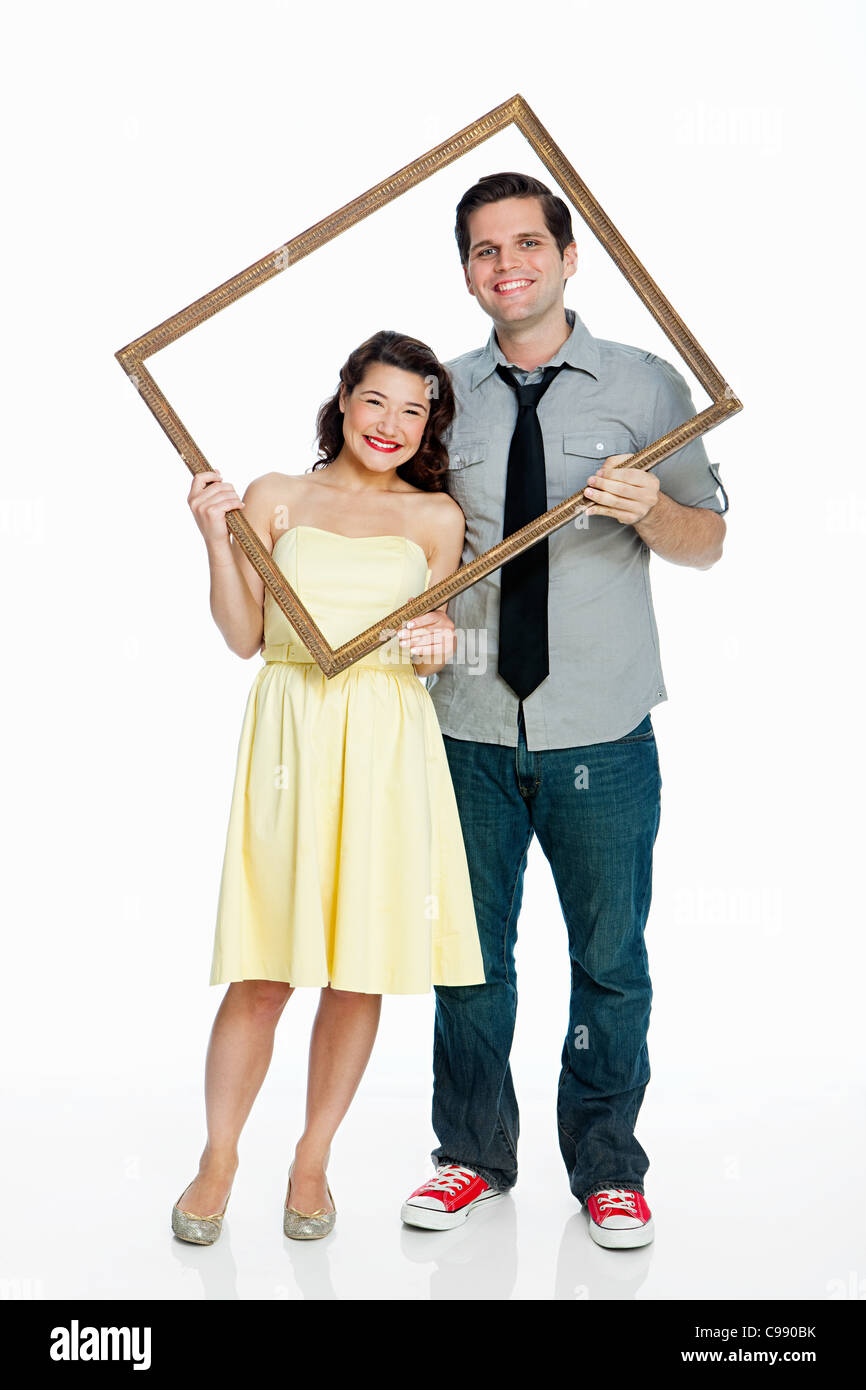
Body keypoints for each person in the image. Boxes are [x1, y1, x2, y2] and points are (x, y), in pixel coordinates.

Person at [400, 173, 730, 1248]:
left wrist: (654, 510)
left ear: (567, 254)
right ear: (466, 272)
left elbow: (708, 539)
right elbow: (413, 549)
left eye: (528, 244)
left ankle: (605, 1167)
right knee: (468, 956)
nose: (509, 265)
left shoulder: (644, 385)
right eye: (486, 251)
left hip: (601, 726)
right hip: (467, 726)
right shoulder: (439, 396)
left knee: (607, 958)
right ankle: (470, 1156)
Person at [171, 330, 486, 1245]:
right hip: (291, 731)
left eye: (413, 410)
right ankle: (219, 1156)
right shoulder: (274, 496)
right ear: (345, 398)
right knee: (264, 967)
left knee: (360, 971)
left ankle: (313, 1158)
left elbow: (432, 644)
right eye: (376, 400)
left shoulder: (435, 520)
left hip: (387, 740)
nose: (390, 424)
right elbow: (243, 638)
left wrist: (441, 645)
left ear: (430, 425)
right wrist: (213, 537)